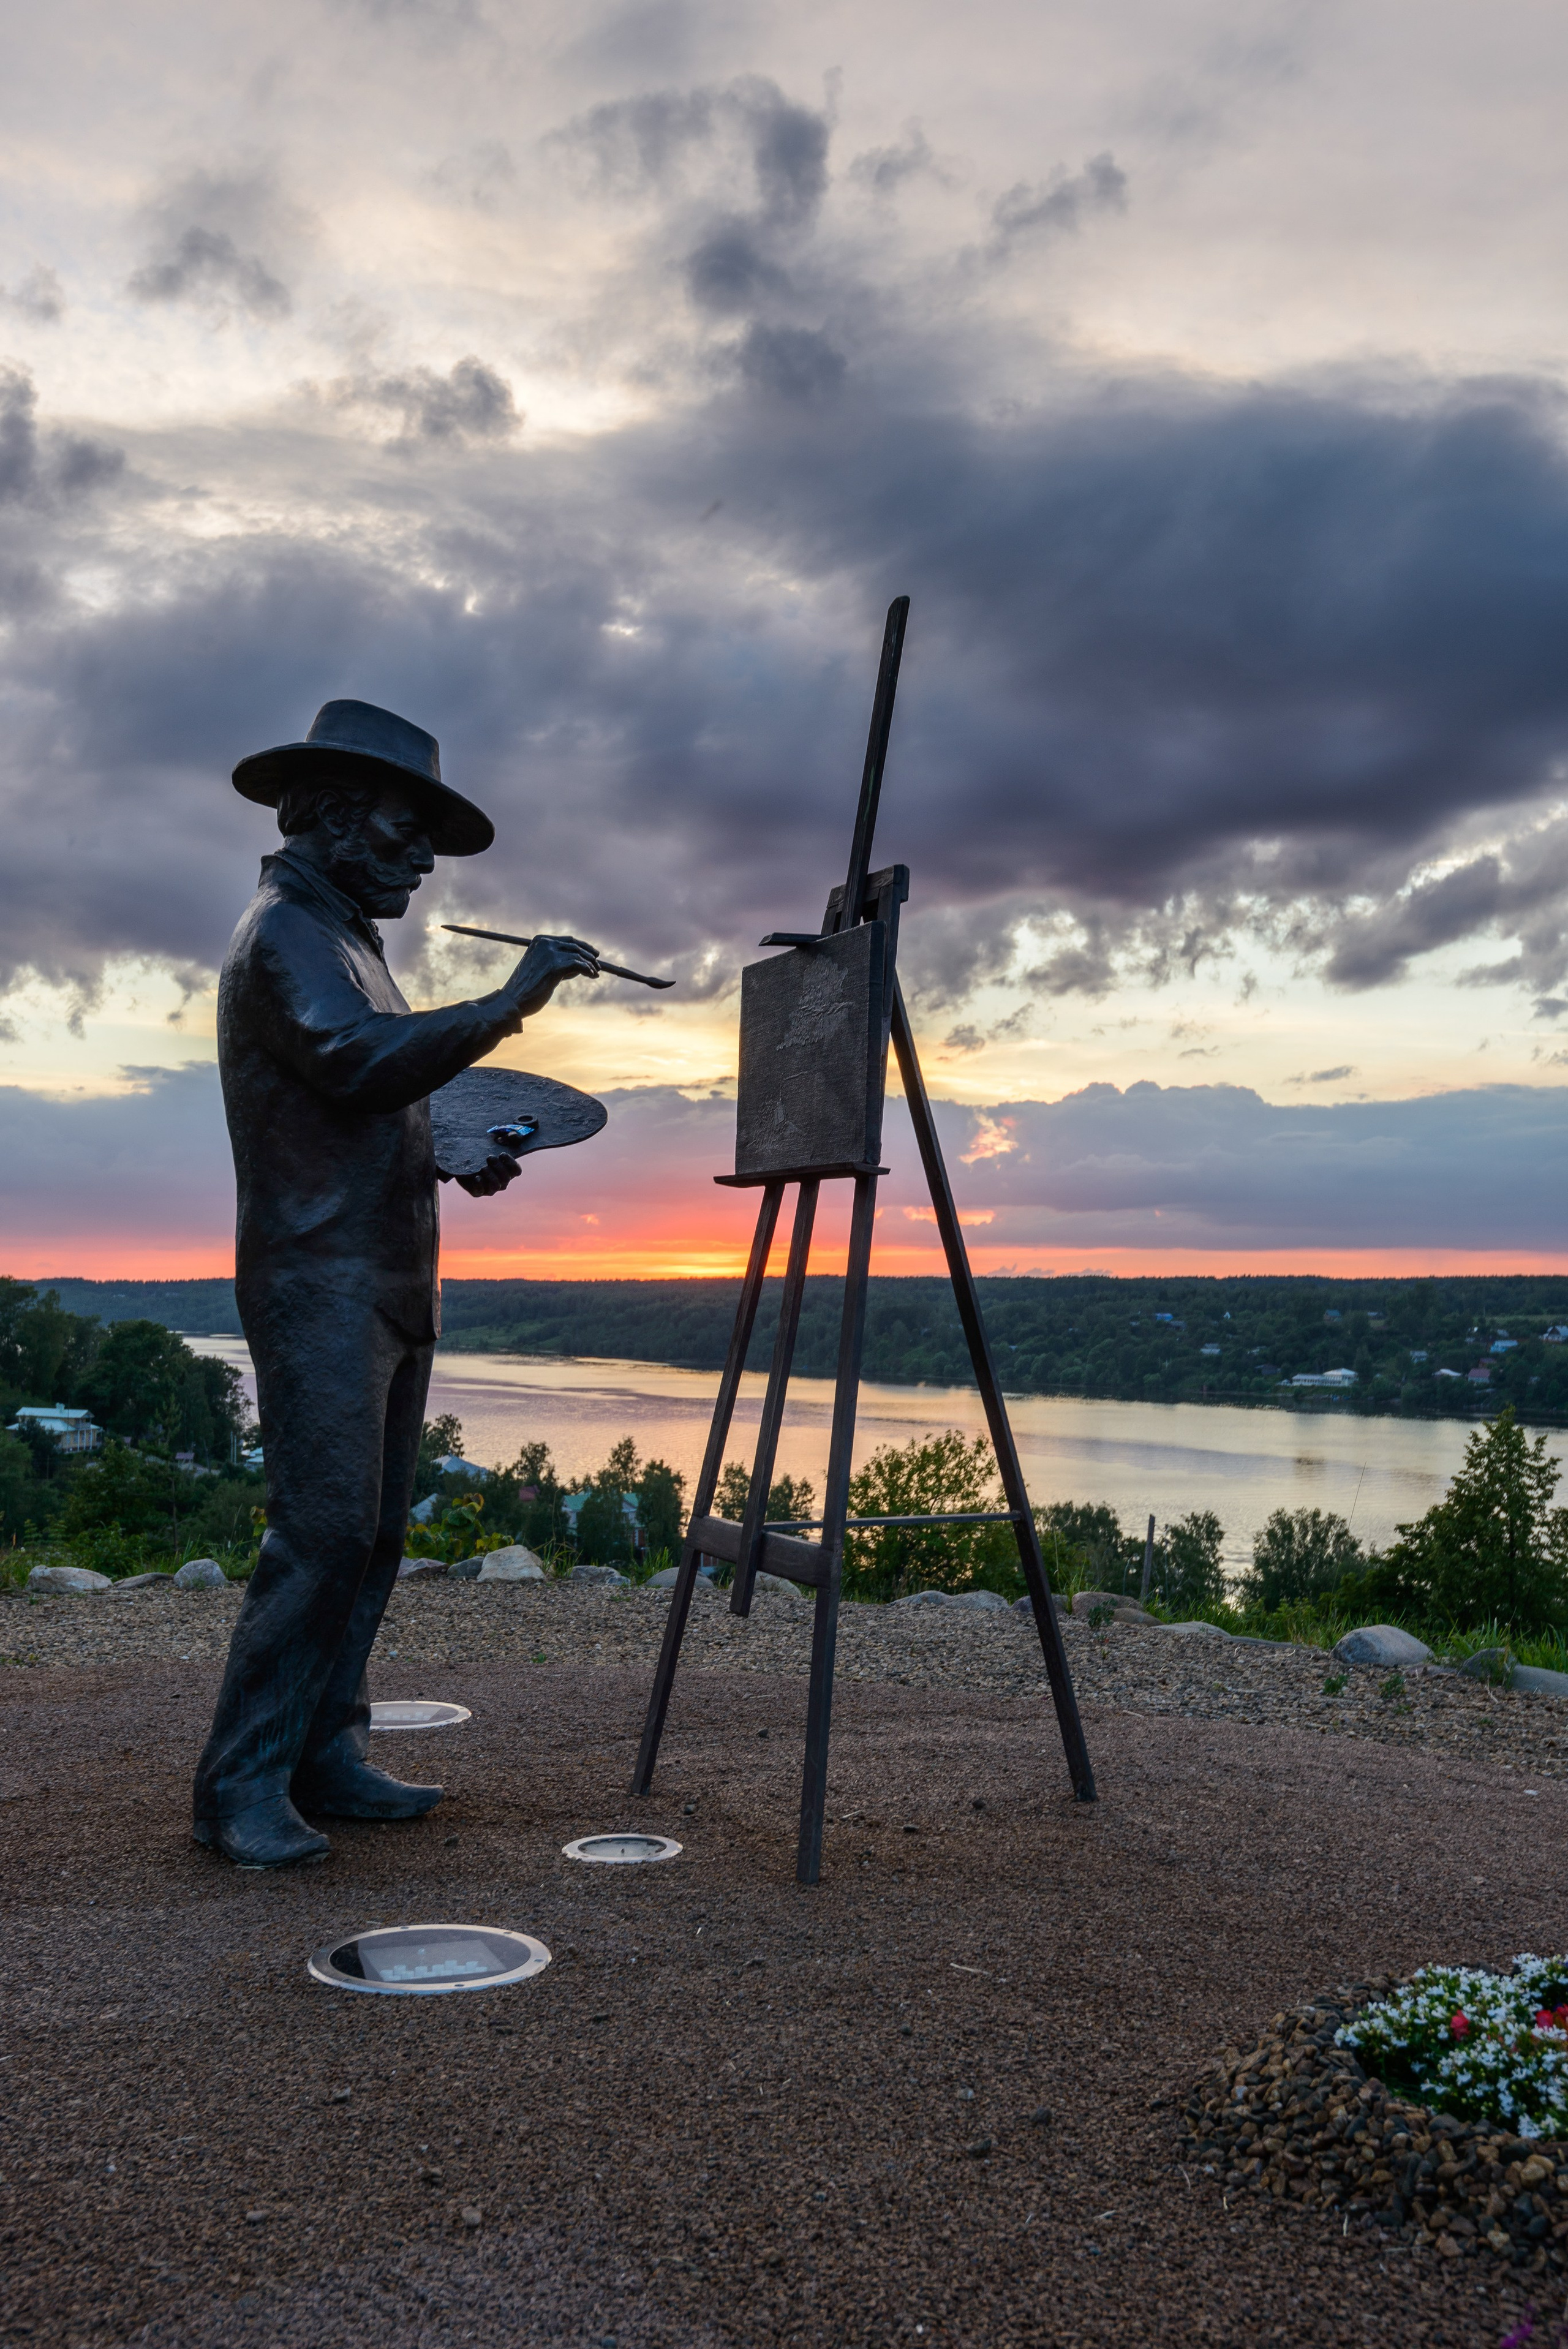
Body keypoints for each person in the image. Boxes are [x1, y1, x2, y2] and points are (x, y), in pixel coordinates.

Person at [192, 698, 597, 1868]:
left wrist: (450, 1151)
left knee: (368, 1538)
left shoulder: (354, 941)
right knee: (317, 1535)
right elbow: (351, 1059)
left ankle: (326, 1751)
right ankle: (239, 1788)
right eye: (402, 828)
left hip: (387, 1274)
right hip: (318, 1277)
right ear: (324, 816)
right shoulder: (285, 934)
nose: (422, 857)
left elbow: (371, 1102)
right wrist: (509, 1005)